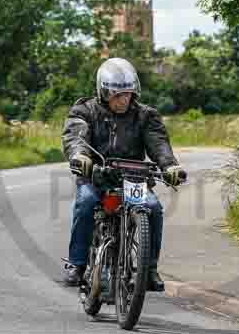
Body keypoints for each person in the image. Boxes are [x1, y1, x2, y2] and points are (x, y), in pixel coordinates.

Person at [61, 57, 186, 291]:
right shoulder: (84, 110)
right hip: (96, 177)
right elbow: (75, 136)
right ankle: (77, 265)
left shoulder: (146, 115)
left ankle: (149, 270)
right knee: (86, 202)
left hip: (133, 179)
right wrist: (81, 157)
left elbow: (158, 143)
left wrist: (170, 166)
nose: (123, 99)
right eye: (117, 95)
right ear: (104, 92)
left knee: (154, 209)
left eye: (127, 94)